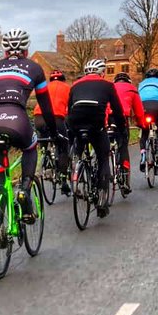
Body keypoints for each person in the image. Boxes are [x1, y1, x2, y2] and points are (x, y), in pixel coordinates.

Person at [0, 28, 65, 222]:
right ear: (26, 51)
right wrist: (53, 132)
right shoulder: (34, 68)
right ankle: (25, 189)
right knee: (30, 146)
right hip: (14, 115)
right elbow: (45, 105)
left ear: (5, 52)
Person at [66, 59, 126, 218]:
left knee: (78, 146)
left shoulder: (75, 85)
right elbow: (118, 111)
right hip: (96, 123)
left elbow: (68, 108)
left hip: (76, 121)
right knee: (103, 157)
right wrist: (122, 130)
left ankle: (75, 168)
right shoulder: (107, 85)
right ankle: (101, 199)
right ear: (103, 73)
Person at [34, 70, 71, 191]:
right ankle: (63, 177)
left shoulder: (45, 86)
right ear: (63, 79)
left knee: (43, 137)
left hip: (39, 117)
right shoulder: (67, 88)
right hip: (56, 118)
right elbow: (69, 108)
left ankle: (44, 155)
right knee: (63, 146)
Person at [113, 72, 145, 175]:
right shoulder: (132, 89)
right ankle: (125, 170)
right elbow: (139, 111)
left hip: (107, 117)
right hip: (122, 118)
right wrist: (141, 124)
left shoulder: (110, 87)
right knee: (123, 144)